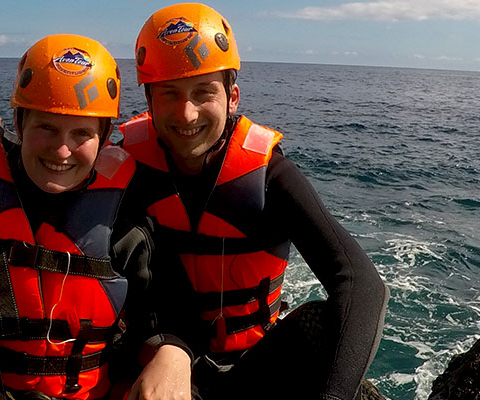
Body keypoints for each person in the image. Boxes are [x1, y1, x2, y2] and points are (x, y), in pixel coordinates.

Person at [116, 4, 389, 399]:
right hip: (164, 357)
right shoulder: (129, 169)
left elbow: (363, 285)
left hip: (251, 364)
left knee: (323, 321)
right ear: (149, 101)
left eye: (203, 91)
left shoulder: (271, 177)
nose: (186, 112)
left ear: (232, 97)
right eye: (169, 93)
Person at [0, 34, 153, 400]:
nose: (62, 150)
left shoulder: (125, 230)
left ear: (104, 136)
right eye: (46, 127)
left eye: (81, 132)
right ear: (19, 123)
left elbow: (150, 321)